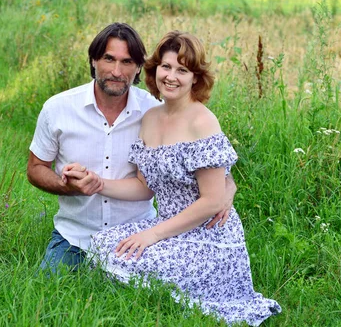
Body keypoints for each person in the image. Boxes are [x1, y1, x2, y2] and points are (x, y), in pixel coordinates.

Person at [66, 31, 281, 326]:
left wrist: (152, 235)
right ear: (154, 71)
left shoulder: (202, 121)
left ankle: (171, 305)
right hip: (168, 225)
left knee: (137, 258)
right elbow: (144, 187)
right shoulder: (151, 119)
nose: (171, 77)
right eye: (166, 67)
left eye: (182, 70)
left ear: (196, 78)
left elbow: (212, 200)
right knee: (105, 245)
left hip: (209, 237)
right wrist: (99, 183)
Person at [27, 23, 235, 273]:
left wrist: (228, 188)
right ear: (94, 61)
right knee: (51, 283)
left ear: (138, 67)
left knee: (135, 293)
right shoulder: (58, 108)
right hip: (76, 233)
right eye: (108, 59)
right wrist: (72, 185)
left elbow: (213, 168)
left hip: (140, 228)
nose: (116, 71)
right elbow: (35, 168)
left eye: (126, 62)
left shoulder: (153, 109)